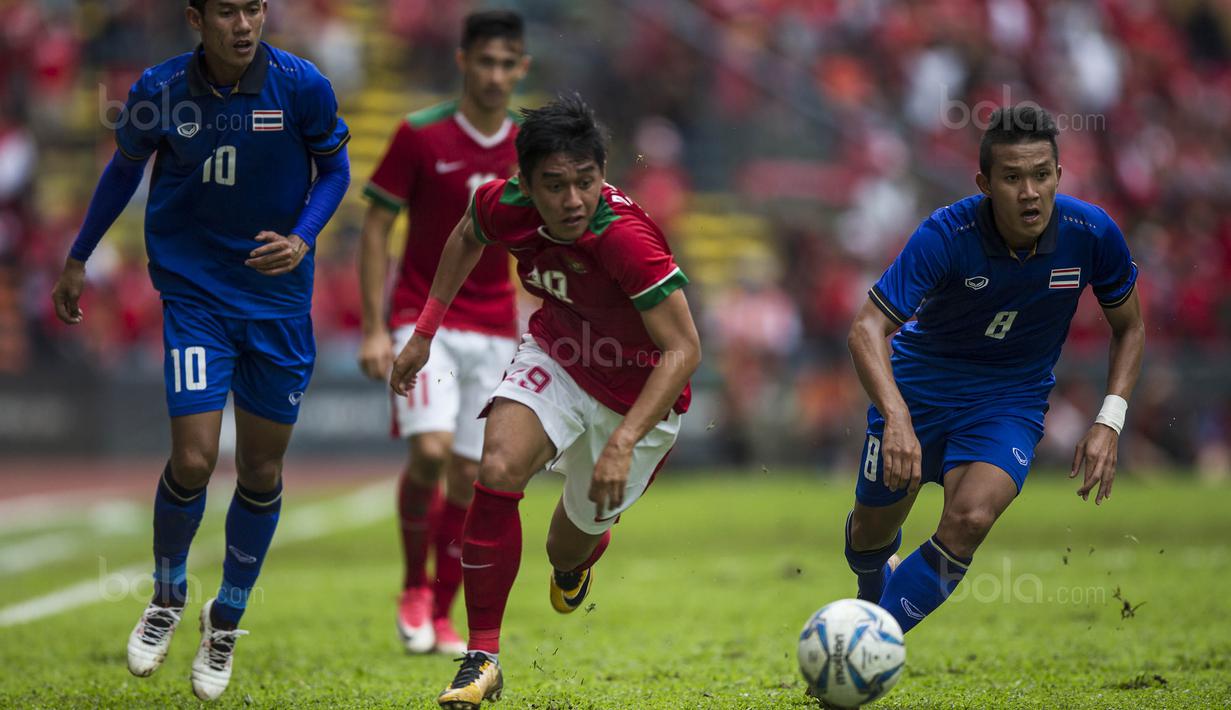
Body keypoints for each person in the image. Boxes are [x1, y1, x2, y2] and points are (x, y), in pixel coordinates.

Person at [49, 0, 349, 701]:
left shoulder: (302, 85)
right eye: (227, 11)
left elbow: (334, 171)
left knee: (261, 469)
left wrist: (302, 236)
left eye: (254, 8)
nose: (243, 25)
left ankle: (227, 619)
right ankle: (166, 596)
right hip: (196, 296)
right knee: (192, 458)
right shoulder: (158, 90)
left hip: (277, 304)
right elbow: (123, 170)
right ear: (196, 17)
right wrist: (79, 256)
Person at [389, 94, 701, 709]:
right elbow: (465, 234)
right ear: (525, 184)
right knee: (497, 466)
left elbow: (684, 350)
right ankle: (482, 659)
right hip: (558, 355)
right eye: (555, 185)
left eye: (586, 181)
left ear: (603, 174)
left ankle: (576, 561)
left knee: (565, 547)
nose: (573, 200)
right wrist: (425, 332)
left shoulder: (627, 241)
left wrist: (623, 442)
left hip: (636, 397)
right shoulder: (502, 204)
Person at [843, 105, 1144, 636]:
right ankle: (873, 586)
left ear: (1059, 175)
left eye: (1041, 175)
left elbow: (1131, 328)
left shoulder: (1092, 234)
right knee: (869, 535)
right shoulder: (945, 235)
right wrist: (896, 417)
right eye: (1011, 178)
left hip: (1010, 401)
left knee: (970, 520)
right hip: (918, 392)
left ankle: (870, 641)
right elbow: (866, 328)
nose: (1029, 192)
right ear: (984, 183)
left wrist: (1109, 420)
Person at [357, 10, 529, 657]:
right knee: (429, 452)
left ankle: (443, 609)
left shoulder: (529, 147)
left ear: (522, 68)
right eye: (484, 61)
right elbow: (376, 224)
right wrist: (373, 327)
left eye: (506, 64)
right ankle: (412, 587)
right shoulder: (419, 135)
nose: (495, 75)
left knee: (469, 473)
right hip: (421, 314)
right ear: (462, 62)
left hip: (495, 324)